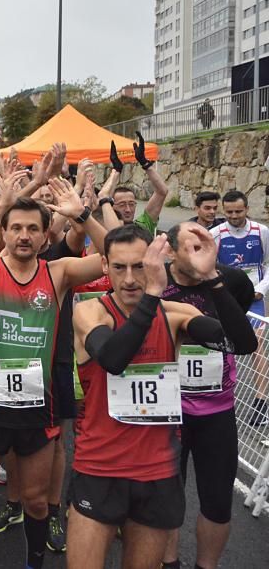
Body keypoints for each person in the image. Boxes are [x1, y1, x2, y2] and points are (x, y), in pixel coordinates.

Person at [0, 173, 107, 569]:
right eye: (16, 228)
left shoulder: (58, 274)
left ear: (44, 237)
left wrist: (84, 215)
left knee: (38, 502)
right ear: (3, 232)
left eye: (32, 229)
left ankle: (33, 564)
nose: (24, 235)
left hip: (38, 406)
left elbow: (120, 258)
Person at [68, 226, 237, 569]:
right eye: (119, 267)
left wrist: (213, 278)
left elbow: (241, 343)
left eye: (140, 266)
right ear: (104, 265)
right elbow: (114, 359)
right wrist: (153, 294)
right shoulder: (90, 313)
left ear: (156, 263)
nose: (130, 279)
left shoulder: (173, 314)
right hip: (100, 468)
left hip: (157, 472)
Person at [159, 222, 258, 569]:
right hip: (167, 410)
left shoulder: (230, 281)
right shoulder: (157, 282)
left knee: (216, 501)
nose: (200, 251)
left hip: (217, 411)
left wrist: (212, 279)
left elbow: (244, 341)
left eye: (205, 243)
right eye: (191, 245)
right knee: (167, 499)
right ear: (170, 250)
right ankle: (169, 563)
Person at [209, 189, 269, 426]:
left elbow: (267, 264)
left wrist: (261, 290)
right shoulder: (216, 234)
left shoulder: (261, 232)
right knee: (220, 344)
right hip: (225, 298)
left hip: (254, 297)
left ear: (247, 209)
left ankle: (261, 401)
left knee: (257, 344)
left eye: (239, 211)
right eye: (230, 212)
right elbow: (208, 266)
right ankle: (220, 395)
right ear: (224, 211)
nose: (234, 216)